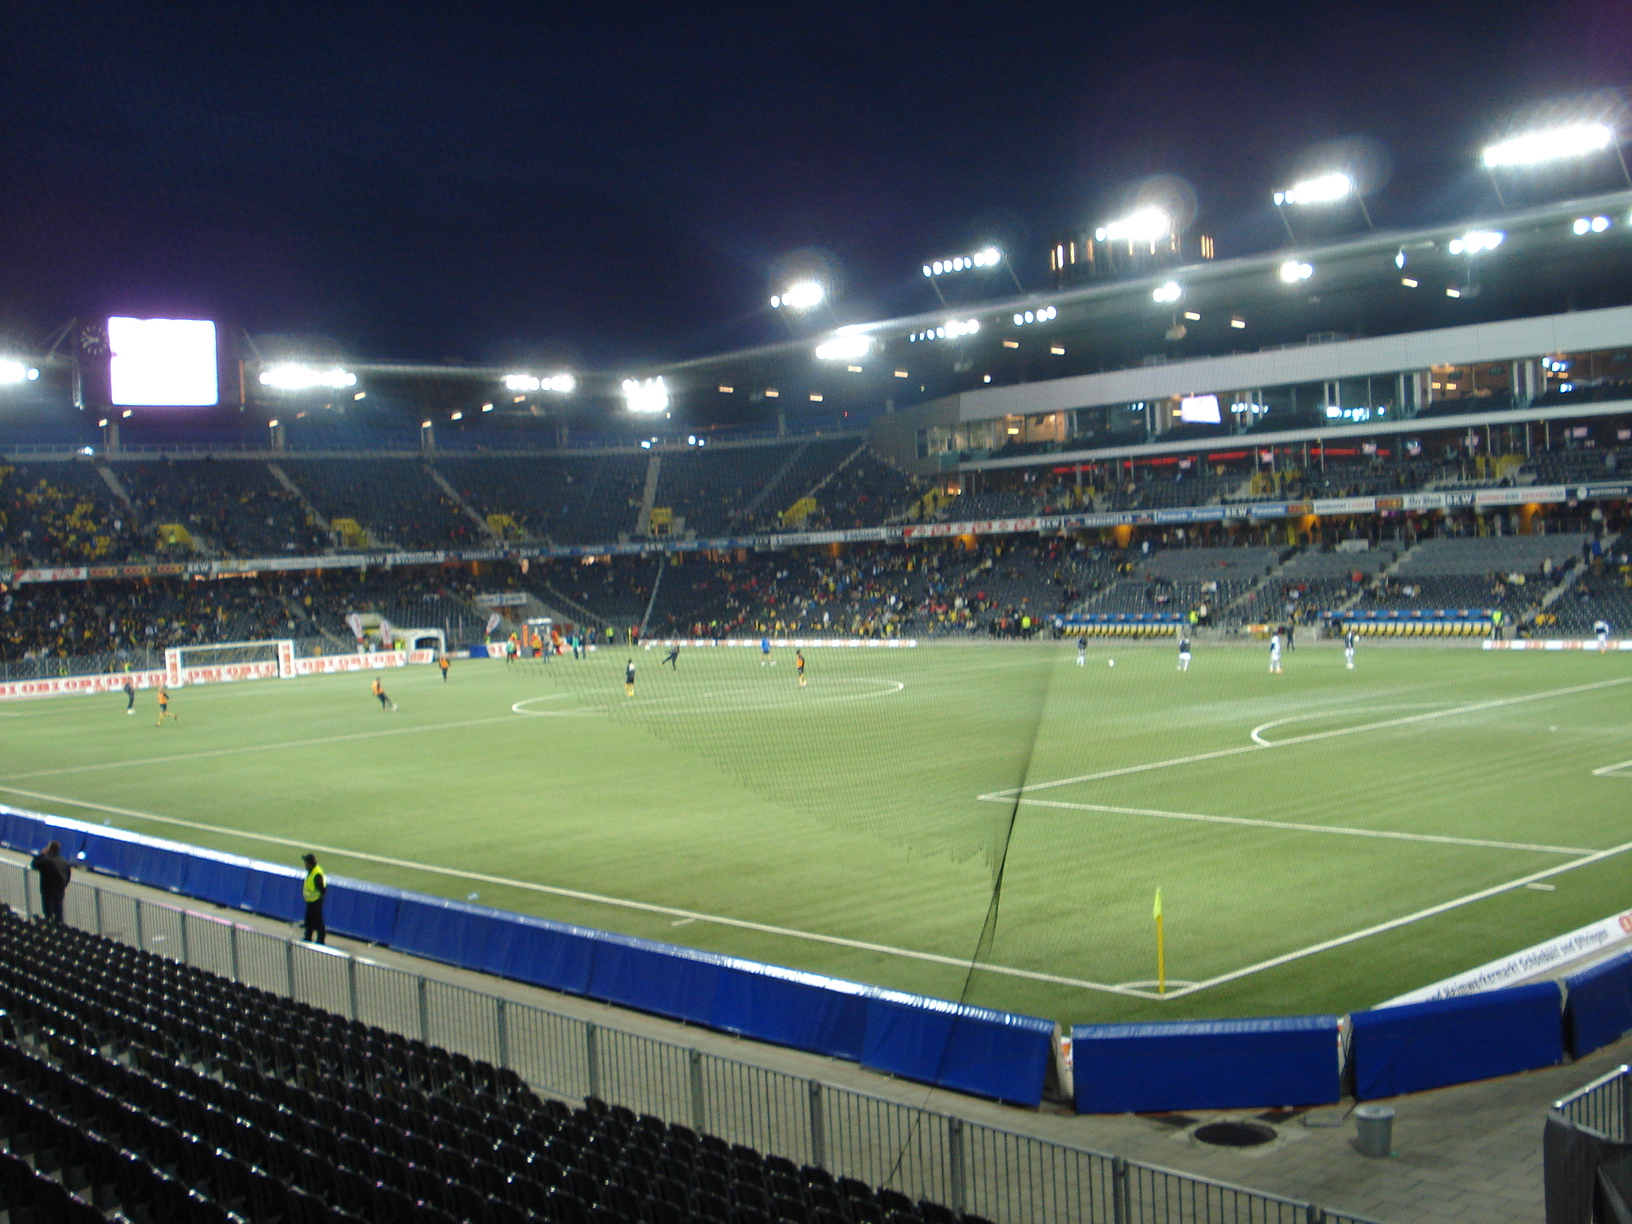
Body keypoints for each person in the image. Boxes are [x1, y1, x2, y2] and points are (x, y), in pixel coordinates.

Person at [31, 840, 71, 923]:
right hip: (60, 891)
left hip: (48, 891)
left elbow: (34, 865)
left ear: (50, 850)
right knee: (58, 913)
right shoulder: (64, 862)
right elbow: (68, 877)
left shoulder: (47, 861)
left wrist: (41, 854)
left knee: (48, 913)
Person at [300, 853, 327, 944]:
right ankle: (308, 937)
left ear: (310, 863)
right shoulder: (311, 871)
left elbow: (322, 889)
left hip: (316, 901)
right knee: (309, 920)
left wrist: (319, 898)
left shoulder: (316, 874)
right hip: (310, 901)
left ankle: (321, 940)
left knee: (318, 921)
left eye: (306, 862)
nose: (305, 864)